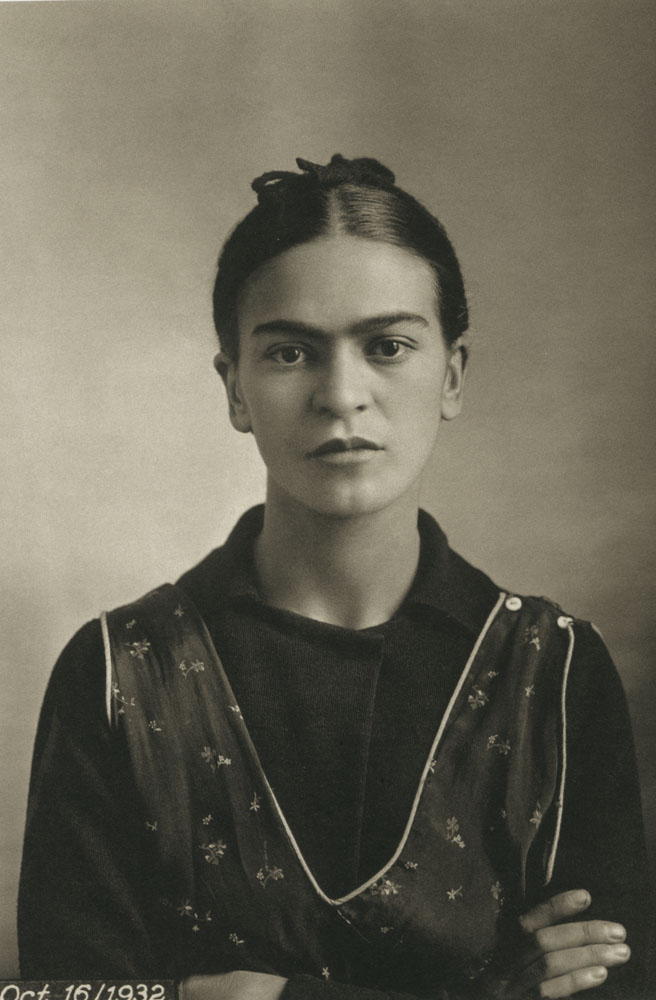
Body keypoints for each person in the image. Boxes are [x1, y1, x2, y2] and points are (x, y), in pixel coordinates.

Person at [19, 155, 652, 999]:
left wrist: (267, 996)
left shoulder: (556, 670)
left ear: (453, 374)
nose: (342, 394)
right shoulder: (116, 672)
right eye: (290, 353)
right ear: (234, 388)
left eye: (388, 346)